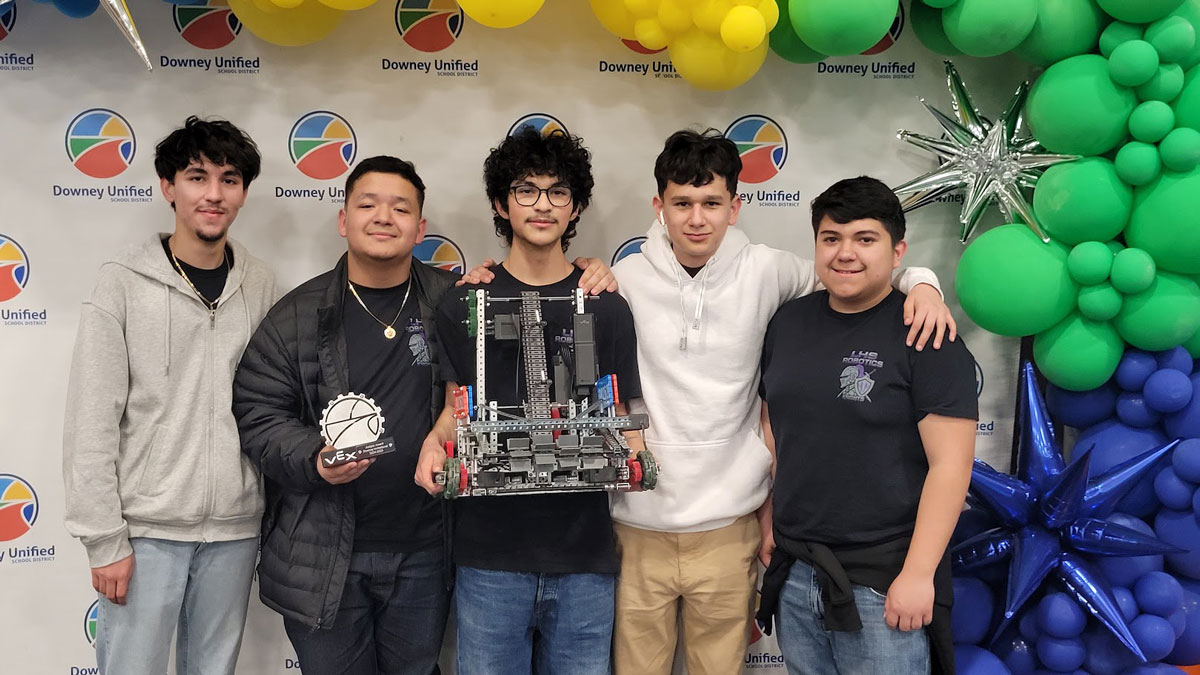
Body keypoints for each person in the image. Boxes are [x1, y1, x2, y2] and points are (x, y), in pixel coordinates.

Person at [608, 129, 955, 675]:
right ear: (659, 207)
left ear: (735, 208)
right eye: (682, 203)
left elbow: (853, 270)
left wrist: (923, 283)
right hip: (637, 520)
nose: (697, 218)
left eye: (712, 203)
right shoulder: (624, 279)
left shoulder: (771, 270)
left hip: (731, 523)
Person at [415, 127, 643, 675]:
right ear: (501, 204)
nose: (543, 205)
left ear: (576, 207)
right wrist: (434, 444)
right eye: (526, 190)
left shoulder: (606, 306)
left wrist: (636, 452)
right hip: (490, 559)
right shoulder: (464, 304)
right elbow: (456, 407)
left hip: (584, 558)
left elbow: (625, 412)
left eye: (558, 191)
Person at [62, 116, 274, 675]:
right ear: (168, 187)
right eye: (197, 177)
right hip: (145, 531)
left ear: (243, 193)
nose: (213, 194)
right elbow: (91, 418)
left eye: (229, 180)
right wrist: (104, 540)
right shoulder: (122, 281)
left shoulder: (260, 285)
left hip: (235, 530)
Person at [232, 156, 458, 674]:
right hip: (325, 555)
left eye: (400, 208)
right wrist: (315, 457)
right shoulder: (297, 315)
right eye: (368, 204)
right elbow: (258, 412)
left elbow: (482, 388)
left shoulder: (453, 302)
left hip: (426, 550)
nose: (384, 217)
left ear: (420, 227)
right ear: (343, 219)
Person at [756, 176, 977, 675]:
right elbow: (775, 429)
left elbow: (952, 465)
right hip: (796, 570)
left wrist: (918, 574)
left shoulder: (926, 334)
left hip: (884, 580)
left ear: (898, 251)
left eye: (865, 239)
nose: (845, 253)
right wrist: (770, 517)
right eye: (831, 238)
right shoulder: (787, 323)